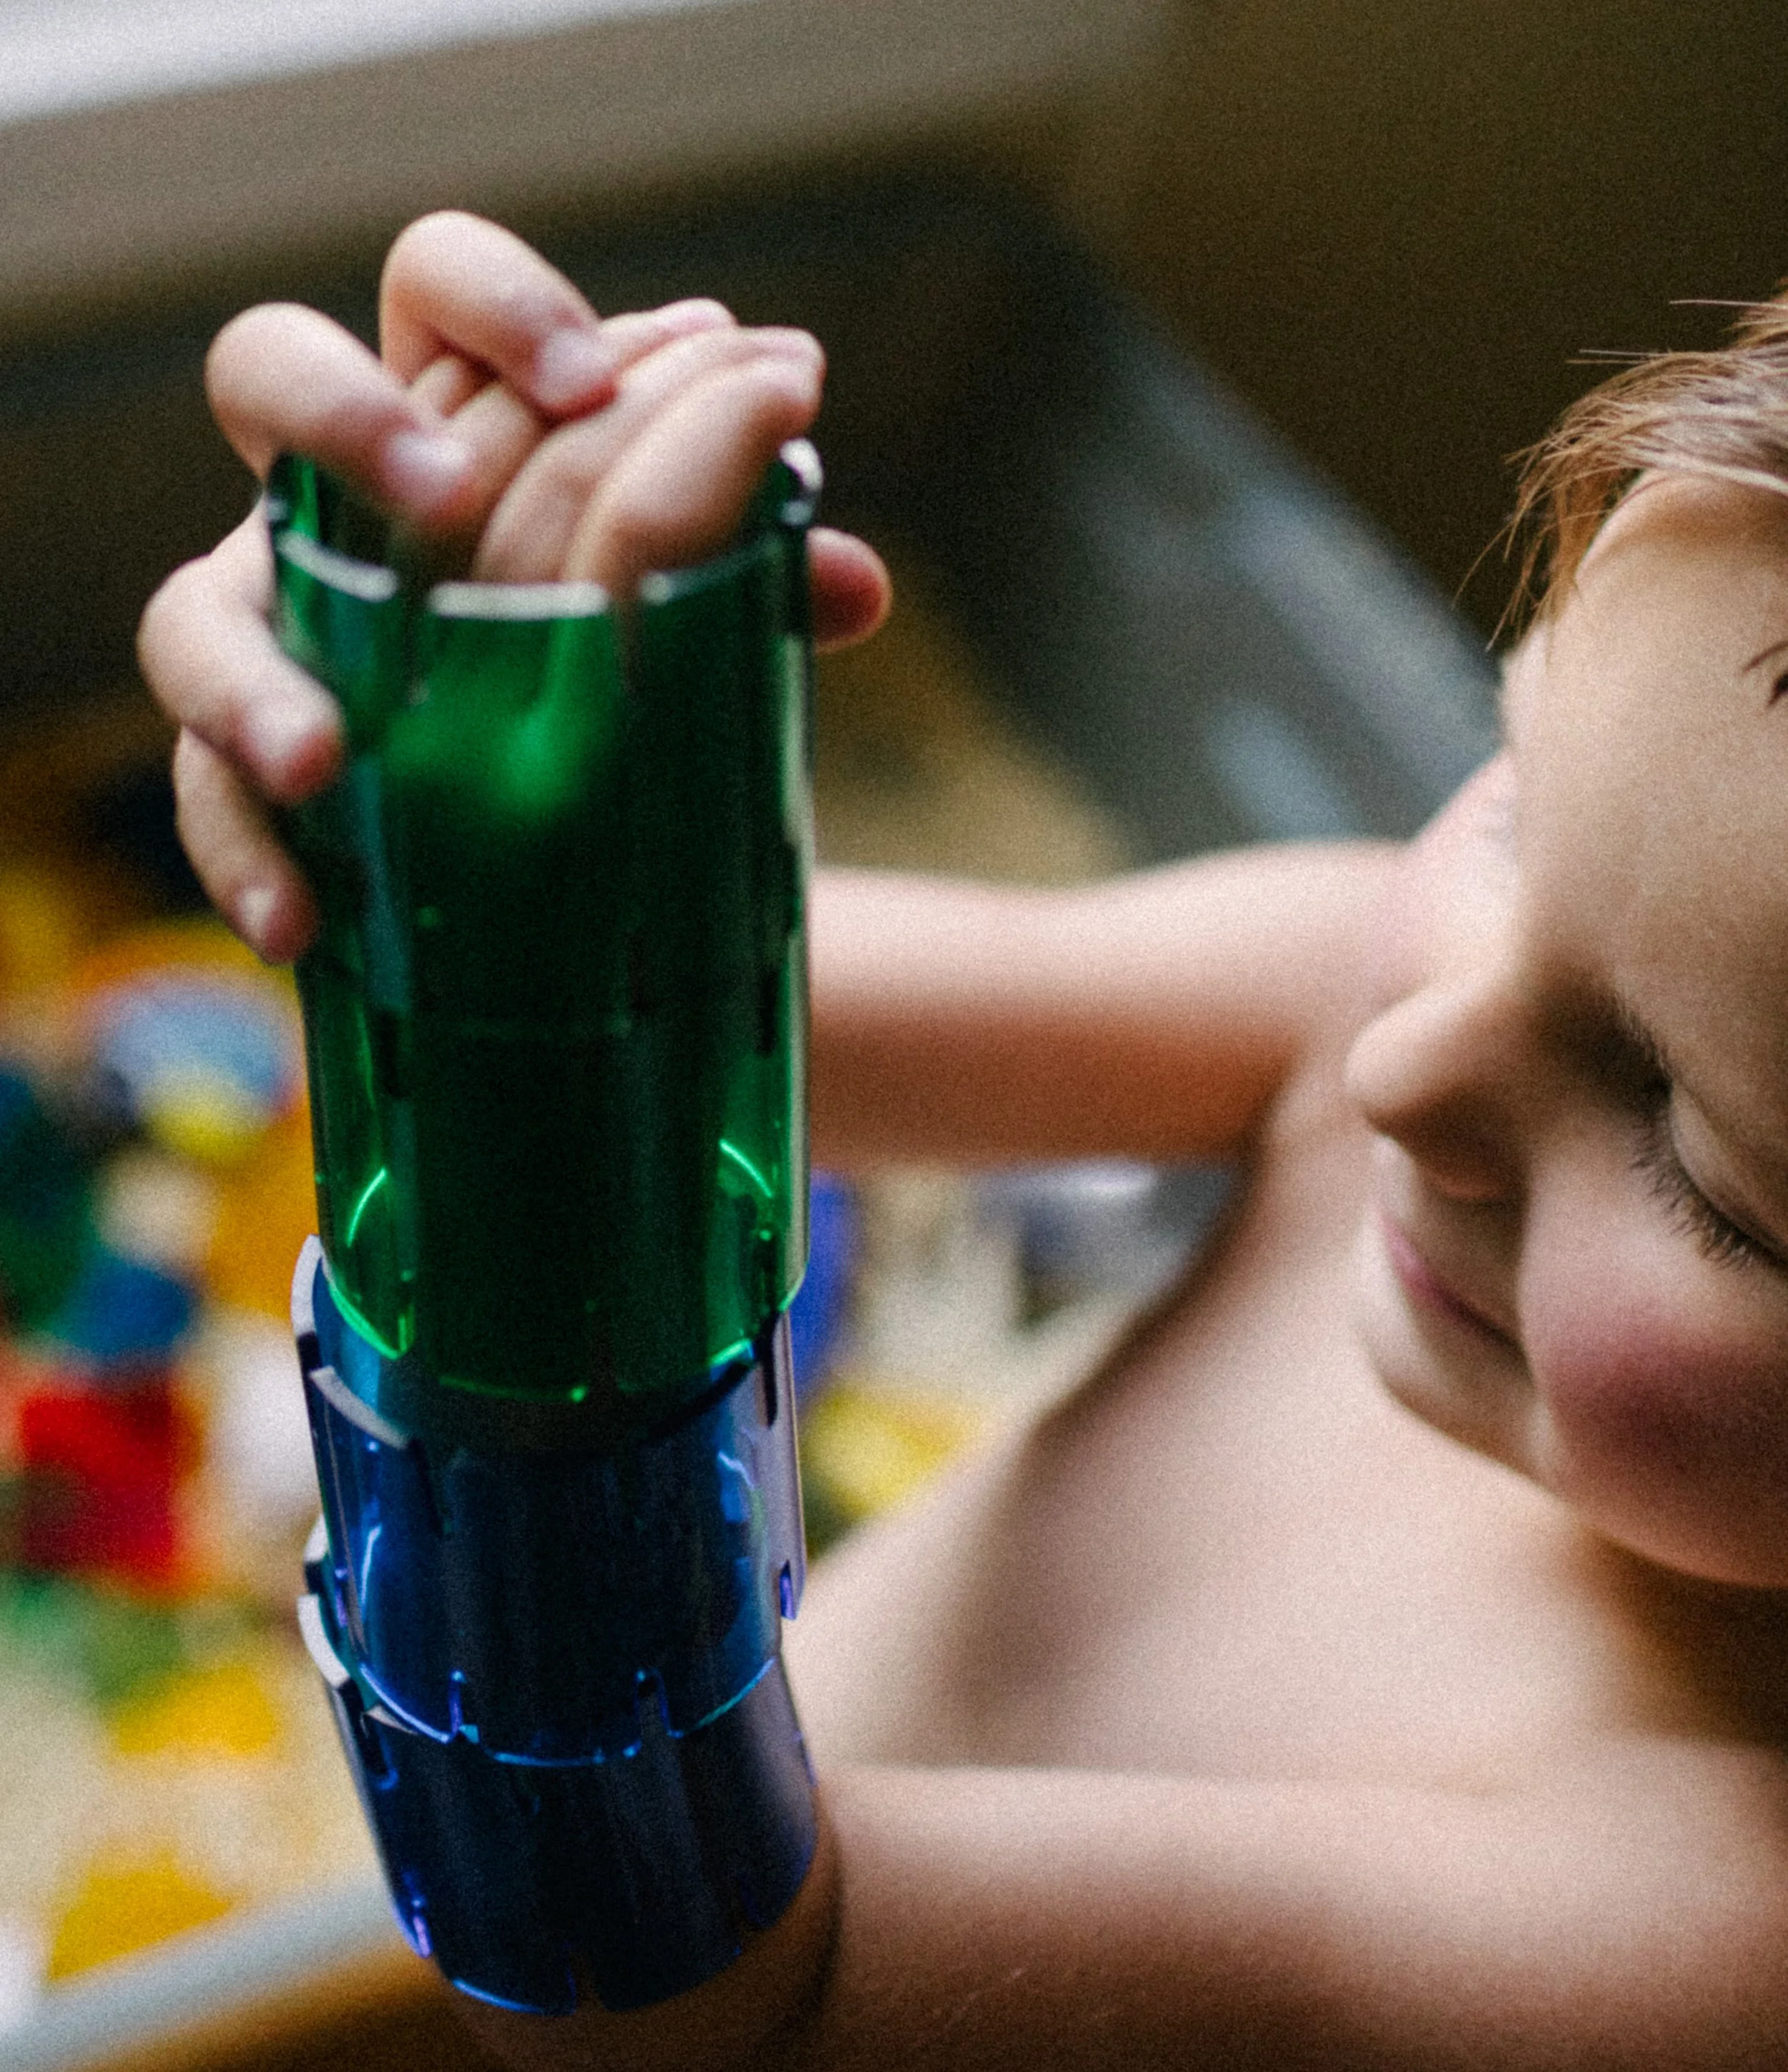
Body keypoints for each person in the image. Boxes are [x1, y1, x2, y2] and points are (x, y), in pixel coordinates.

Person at [139, 212, 1788, 2069]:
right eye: (1513, 810)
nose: (1403, 1065)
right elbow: (678, 1035)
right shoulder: (1372, 983)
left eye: (1710, 1180)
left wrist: (480, 1112)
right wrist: (443, 723)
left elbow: (686, 1995)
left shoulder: (1685, 1925)